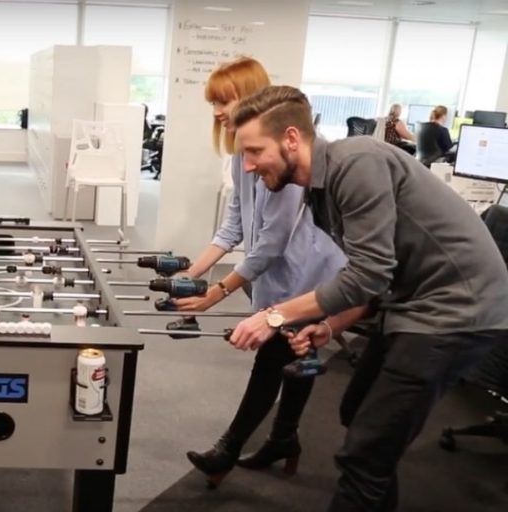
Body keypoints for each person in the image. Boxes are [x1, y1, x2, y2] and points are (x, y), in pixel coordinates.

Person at [228, 85, 508, 512]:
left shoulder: (356, 161)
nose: (247, 166)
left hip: (457, 312)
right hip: (413, 305)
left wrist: (274, 316)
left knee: (365, 452)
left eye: (253, 151)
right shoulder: (320, 190)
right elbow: (377, 272)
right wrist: (329, 325)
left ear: (290, 138)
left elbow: (370, 272)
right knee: (359, 413)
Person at [176, 57, 346, 488]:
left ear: (251, 98)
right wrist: (192, 274)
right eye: (213, 102)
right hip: (273, 275)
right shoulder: (241, 155)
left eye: (223, 100)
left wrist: (217, 292)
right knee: (293, 358)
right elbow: (235, 224)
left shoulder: (283, 156)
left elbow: (272, 241)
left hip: (310, 274)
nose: (216, 111)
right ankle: (284, 439)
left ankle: (228, 449)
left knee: (275, 359)